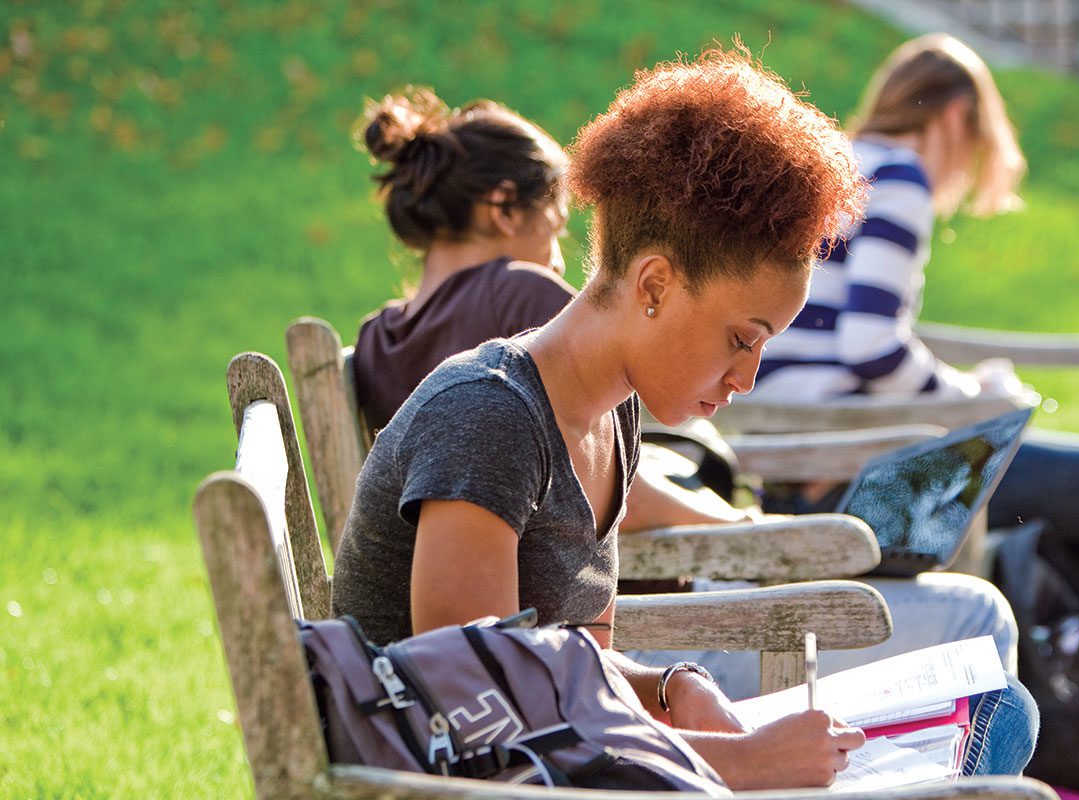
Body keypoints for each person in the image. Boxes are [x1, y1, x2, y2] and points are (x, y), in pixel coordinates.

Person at [333, 50, 1036, 788]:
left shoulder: (610, 420)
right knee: (990, 761)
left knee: (992, 724)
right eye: (742, 338)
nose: (748, 377)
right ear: (656, 285)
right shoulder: (485, 418)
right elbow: (474, 719)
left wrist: (669, 686)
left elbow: (565, 668)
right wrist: (742, 765)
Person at [751, 33, 1079, 672]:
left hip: (787, 470)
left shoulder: (827, 168)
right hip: (857, 482)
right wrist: (977, 400)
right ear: (958, 116)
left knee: (1062, 517)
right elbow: (871, 347)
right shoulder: (895, 174)